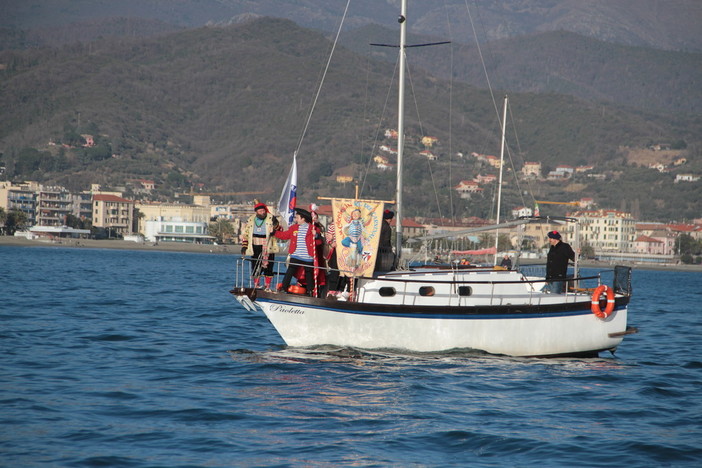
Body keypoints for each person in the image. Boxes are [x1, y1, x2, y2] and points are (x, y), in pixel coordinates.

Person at [274, 207, 322, 296]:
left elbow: (319, 242)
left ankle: (310, 291)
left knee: (309, 274)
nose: (295, 219)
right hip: (296, 254)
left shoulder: (313, 228)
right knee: (290, 271)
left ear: (303, 218)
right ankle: (284, 288)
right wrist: (274, 233)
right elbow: (285, 235)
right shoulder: (294, 228)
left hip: (308, 256)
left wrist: (316, 236)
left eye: (297, 217)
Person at [240, 201, 279, 291]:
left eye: (263, 210)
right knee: (255, 265)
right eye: (260, 211)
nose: (262, 212)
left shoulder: (270, 218)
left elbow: (278, 229)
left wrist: (275, 223)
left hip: (268, 243)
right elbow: (246, 233)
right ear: (256, 212)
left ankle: (267, 285)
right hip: (254, 243)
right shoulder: (250, 219)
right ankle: (256, 284)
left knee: (269, 265)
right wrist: (244, 246)